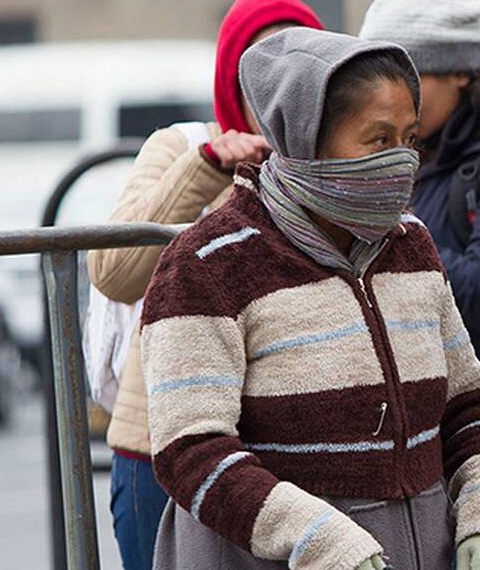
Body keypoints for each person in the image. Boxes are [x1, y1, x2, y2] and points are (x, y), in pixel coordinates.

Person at [140, 28, 480, 570]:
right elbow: (192, 451)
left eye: (409, 139)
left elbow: (469, 409)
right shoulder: (209, 263)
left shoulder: (410, 246)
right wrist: (322, 542)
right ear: (305, 141)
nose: (401, 163)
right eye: (377, 141)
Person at [85, 2, 322, 568]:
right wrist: (208, 167)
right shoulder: (181, 147)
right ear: (229, 74)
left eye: (300, 62)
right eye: (260, 62)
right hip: (162, 453)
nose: (278, 79)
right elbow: (113, 273)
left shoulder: (336, 164)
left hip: (293, 457)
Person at [359, 0, 480, 364]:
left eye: (409, 81)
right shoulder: (398, 151)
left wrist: (380, 220)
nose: (390, 102)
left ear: (460, 71)